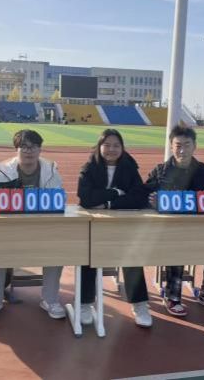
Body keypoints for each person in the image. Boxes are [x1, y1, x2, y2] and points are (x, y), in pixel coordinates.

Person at [0, 129, 66, 321]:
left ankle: (50, 300)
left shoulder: (51, 171)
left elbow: (58, 204)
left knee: (57, 247)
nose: (28, 151)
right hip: (10, 230)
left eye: (33, 146)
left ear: (40, 149)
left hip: (42, 229)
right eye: (23, 146)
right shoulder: (3, 172)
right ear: (16, 149)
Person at [145, 123, 204, 316]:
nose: (182, 150)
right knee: (177, 243)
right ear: (171, 146)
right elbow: (143, 195)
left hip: (200, 230)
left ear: (194, 146)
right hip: (168, 231)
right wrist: (152, 202)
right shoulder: (160, 171)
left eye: (187, 145)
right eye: (178, 145)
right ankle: (172, 295)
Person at [77, 129, 152, 327]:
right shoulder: (89, 167)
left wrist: (109, 203)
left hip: (122, 224)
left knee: (132, 256)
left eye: (116, 145)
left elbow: (139, 197)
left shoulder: (129, 167)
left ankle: (140, 304)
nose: (111, 149)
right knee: (88, 256)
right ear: (100, 147)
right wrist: (115, 192)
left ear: (122, 148)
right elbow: (86, 198)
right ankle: (85, 303)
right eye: (107, 145)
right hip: (94, 224)